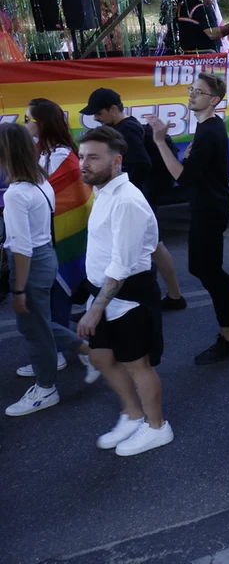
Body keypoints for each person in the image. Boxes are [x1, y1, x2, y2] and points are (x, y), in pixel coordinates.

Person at [75, 126, 173, 455]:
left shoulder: (128, 201)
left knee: (137, 364)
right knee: (102, 357)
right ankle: (133, 415)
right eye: (81, 156)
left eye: (92, 157)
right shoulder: (104, 192)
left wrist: (94, 308)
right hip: (102, 294)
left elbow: (122, 265)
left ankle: (157, 427)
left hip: (128, 298)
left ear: (116, 162)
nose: (83, 164)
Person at [147, 74, 229, 363]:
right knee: (202, 268)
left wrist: (160, 141)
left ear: (213, 100)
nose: (192, 95)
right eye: (191, 89)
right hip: (207, 205)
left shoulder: (210, 131)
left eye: (198, 92)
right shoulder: (207, 127)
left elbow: (183, 179)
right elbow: (194, 170)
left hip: (210, 208)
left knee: (208, 271)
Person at [1, 123, 90, 416]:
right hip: (45, 257)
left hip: (30, 263)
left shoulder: (15, 193)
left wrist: (17, 289)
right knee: (38, 323)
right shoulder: (41, 180)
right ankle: (91, 352)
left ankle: (46, 387)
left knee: (35, 329)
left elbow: (22, 247)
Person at [80, 88, 185, 309]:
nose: (96, 119)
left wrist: (122, 190)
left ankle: (154, 299)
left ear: (113, 109)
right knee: (154, 246)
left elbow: (142, 163)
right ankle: (174, 296)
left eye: (98, 113)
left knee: (149, 248)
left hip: (140, 197)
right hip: (144, 195)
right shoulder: (126, 127)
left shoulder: (126, 131)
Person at [24, 98, 94, 341]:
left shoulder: (61, 155)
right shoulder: (45, 150)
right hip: (47, 234)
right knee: (49, 295)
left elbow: (50, 198)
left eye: (27, 119)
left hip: (59, 237)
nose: (24, 124)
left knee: (56, 293)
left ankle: (60, 350)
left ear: (42, 123)